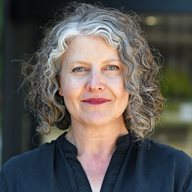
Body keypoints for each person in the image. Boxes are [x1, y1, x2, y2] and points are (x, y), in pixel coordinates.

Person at [0, 3, 192, 192]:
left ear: (132, 80)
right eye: (79, 69)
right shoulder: (18, 176)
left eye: (111, 68)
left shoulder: (176, 172)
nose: (95, 84)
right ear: (58, 83)